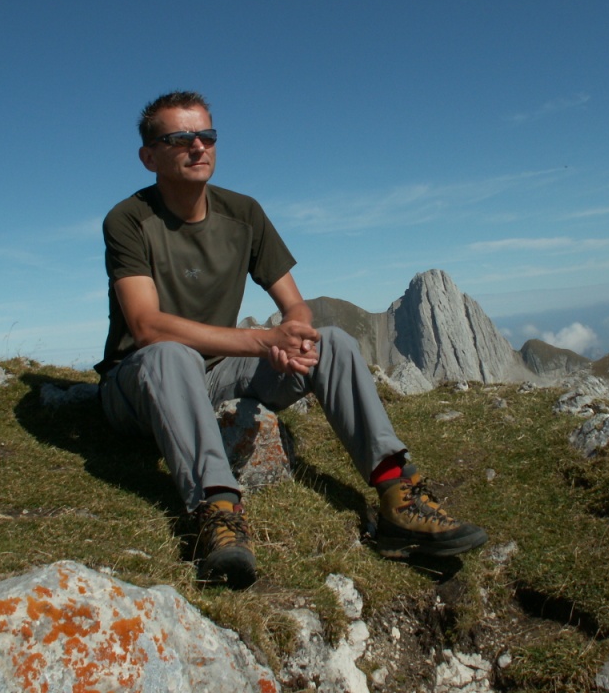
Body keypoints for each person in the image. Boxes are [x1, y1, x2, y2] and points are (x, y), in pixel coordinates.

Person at [96, 90, 487, 587]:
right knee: (170, 355)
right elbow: (146, 326)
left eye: (207, 135)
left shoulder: (243, 213)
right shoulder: (128, 219)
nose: (198, 146)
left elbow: (294, 306)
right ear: (149, 157)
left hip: (216, 373)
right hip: (139, 385)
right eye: (180, 138)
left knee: (332, 342)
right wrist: (263, 342)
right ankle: (218, 514)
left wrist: (293, 338)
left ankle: (397, 494)